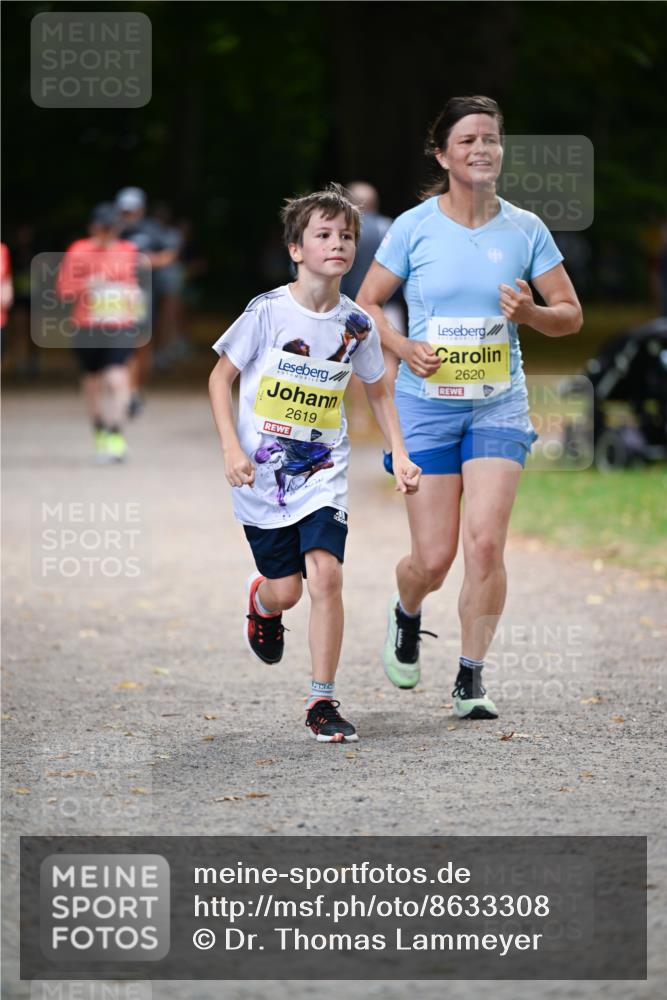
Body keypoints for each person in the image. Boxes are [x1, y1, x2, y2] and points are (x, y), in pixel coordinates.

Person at [357, 96, 582, 720]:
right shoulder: (414, 226)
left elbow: (570, 315)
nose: (481, 149)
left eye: (491, 139)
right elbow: (367, 304)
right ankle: (406, 611)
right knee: (432, 559)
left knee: (484, 545)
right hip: (426, 406)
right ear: (442, 154)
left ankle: (471, 677)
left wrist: (531, 313)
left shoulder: (525, 228)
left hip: (498, 405)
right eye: (467, 141)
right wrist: (402, 346)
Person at [208, 184, 421, 743]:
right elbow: (219, 378)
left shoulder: (358, 325)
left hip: (324, 473)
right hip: (263, 477)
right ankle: (261, 601)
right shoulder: (268, 312)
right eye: (323, 235)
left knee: (326, 575)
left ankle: (321, 701)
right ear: (296, 249)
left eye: (347, 236)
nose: (338, 244)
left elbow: (377, 388)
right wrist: (231, 447)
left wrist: (398, 451)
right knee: (289, 590)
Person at [56, 203, 145, 462]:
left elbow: (133, 285)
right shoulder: (79, 250)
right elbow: (64, 289)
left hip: (120, 325)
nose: (108, 233)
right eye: (103, 228)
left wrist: (134, 305)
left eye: (112, 228)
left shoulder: (128, 250)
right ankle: (99, 430)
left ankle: (116, 434)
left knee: (116, 378)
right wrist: (89, 283)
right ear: (93, 227)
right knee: (92, 383)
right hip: (87, 327)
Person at [114, 187, 182, 413]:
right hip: (114, 298)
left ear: (141, 210)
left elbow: (171, 253)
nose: (128, 215)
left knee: (141, 346)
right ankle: (122, 389)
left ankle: (135, 389)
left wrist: (148, 261)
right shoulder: (111, 229)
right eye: (124, 211)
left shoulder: (153, 231)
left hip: (143, 296)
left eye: (132, 211)